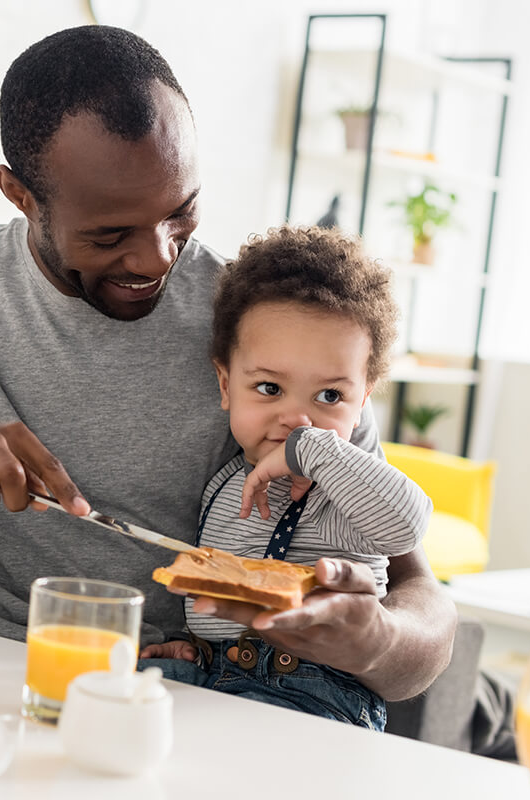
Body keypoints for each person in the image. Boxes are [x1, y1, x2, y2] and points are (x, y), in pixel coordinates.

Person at [0, 24, 456, 704]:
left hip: (191, 696)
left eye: (181, 212)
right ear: (19, 194)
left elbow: (421, 618)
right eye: (109, 234)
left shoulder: (265, 327)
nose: (158, 257)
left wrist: (373, 640)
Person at [137, 225, 431, 728]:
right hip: (217, 672)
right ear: (225, 385)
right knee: (117, 687)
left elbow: (408, 525)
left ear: (363, 400)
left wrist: (314, 449)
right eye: (269, 388)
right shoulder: (223, 484)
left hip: (317, 692)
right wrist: (193, 646)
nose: (297, 419)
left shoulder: (346, 489)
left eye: (330, 397)